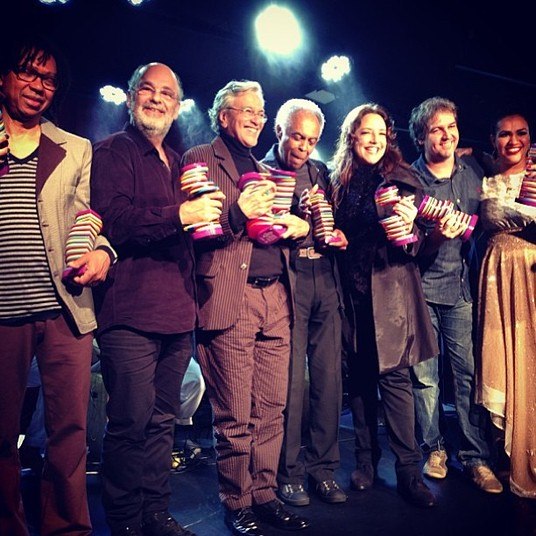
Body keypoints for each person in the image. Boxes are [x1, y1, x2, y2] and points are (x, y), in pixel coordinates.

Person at [91, 62, 222, 536]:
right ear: (131, 98)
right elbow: (116, 221)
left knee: (163, 423)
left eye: (167, 93)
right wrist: (182, 213)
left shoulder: (181, 161)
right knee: (128, 423)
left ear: (176, 106)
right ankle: (125, 523)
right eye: (147, 90)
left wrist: (218, 218)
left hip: (176, 312)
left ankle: (156, 514)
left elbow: (196, 231)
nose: (156, 99)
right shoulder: (112, 152)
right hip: (129, 313)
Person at [181, 80, 311, 536]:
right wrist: (238, 211)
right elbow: (195, 231)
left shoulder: (262, 166)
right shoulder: (200, 159)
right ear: (223, 115)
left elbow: (267, 230)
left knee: (272, 406)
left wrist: (295, 227)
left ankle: (264, 493)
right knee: (235, 411)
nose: (258, 118)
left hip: (276, 294)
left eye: (261, 111)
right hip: (229, 295)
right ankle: (237, 501)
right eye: (249, 110)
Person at [0, 37, 113, 536]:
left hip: (64, 310)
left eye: (48, 79)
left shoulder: (76, 148)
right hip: (2, 312)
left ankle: (67, 528)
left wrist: (102, 252)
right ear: (3, 76)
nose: (38, 86)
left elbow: (88, 217)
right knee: (1, 435)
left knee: (70, 433)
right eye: (27, 73)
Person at [330, 102, 438, 508]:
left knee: (395, 383)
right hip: (351, 294)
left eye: (380, 132)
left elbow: (423, 230)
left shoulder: (400, 176)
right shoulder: (339, 180)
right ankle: (365, 462)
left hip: (390, 296)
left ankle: (409, 472)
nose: (374, 140)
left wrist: (409, 228)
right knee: (358, 382)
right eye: (365, 132)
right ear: (352, 137)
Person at [408, 96, 503, 493]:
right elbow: (408, 249)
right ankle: (434, 449)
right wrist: (433, 237)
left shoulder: (474, 169)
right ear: (420, 137)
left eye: (451, 126)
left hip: (461, 290)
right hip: (421, 291)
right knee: (425, 379)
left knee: (466, 377)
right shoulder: (410, 181)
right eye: (436, 129)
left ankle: (475, 458)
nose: (446, 135)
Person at [261, 98, 347, 506]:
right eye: (297, 137)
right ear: (279, 131)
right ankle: (289, 472)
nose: (304, 147)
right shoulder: (260, 173)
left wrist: (336, 236)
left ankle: (324, 469)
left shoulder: (321, 172)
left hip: (324, 278)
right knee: (292, 383)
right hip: (289, 282)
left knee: (329, 379)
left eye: (312, 140)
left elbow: (333, 223)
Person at [475, 112, 536, 498]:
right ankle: (509, 455)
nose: (513, 140)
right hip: (497, 275)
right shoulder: (484, 178)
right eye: (504, 134)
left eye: (521, 133)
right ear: (493, 139)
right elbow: (489, 213)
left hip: (532, 271)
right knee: (503, 356)